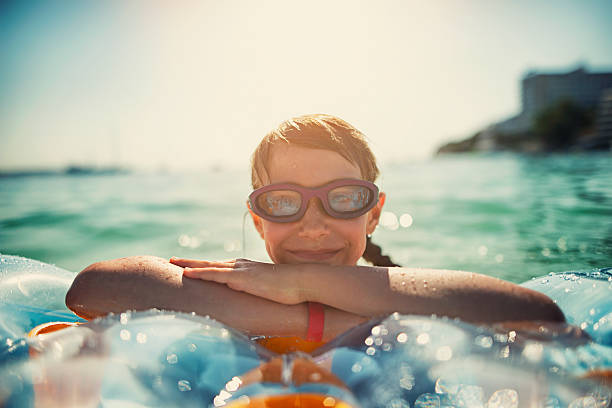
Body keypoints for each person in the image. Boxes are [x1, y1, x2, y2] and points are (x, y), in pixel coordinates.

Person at [65, 114, 564, 345]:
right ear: (258, 221)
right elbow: (95, 286)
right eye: (283, 202)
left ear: (373, 214)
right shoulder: (236, 279)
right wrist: (321, 321)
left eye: (343, 198)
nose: (313, 223)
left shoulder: (416, 290)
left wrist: (303, 286)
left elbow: (537, 312)